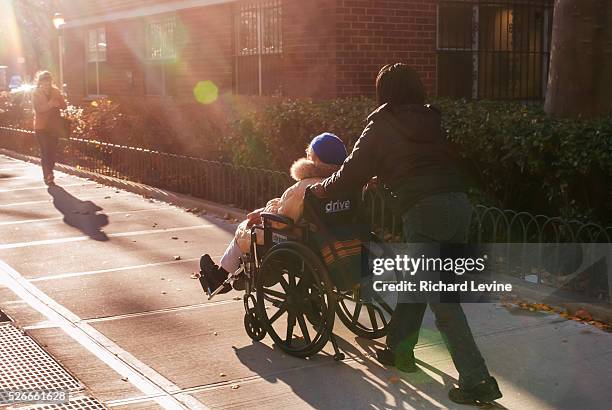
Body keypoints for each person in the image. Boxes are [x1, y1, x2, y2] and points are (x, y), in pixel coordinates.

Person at [310, 63, 502, 406]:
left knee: (442, 300)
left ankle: (477, 380)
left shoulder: (382, 123)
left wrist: (321, 189)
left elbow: (352, 170)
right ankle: (398, 350)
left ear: (384, 91)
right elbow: (430, 161)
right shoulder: (434, 119)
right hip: (458, 205)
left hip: (425, 211)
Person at [199, 133, 348, 294]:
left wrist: (263, 213)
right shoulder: (345, 185)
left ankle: (220, 277)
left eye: (309, 155)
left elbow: (281, 222)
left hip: (298, 242)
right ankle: (232, 275)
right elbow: (291, 207)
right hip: (335, 240)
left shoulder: (304, 188)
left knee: (246, 228)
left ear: (316, 159)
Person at [32, 71, 67, 185]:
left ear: (51, 82)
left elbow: (64, 106)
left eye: (48, 82)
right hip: (41, 127)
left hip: (53, 127)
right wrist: (50, 105)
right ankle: (48, 175)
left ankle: (49, 172)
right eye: (44, 82)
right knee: (45, 151)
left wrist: (59, 102)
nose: (46, 84)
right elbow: (38, 109)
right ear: (40, 82)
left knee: (52, 152)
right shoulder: (36, 93)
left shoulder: (56, 91)